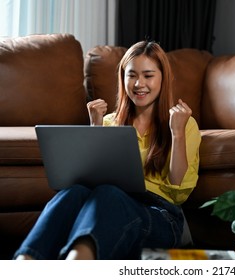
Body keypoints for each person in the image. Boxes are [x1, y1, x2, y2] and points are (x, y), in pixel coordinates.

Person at [14, 41, 201, 260]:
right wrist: (96, 128)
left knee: (108, 193)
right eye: (132, 75)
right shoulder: (109, 122)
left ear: (163, 78)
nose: (139, 83)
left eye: (148, 75)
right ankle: (24, 262)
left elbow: (179, 191)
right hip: (106, 204)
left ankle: (77, 263)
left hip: (161, 215)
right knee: (72, 193)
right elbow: (88, 179)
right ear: (123, 78)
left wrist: (176, 133)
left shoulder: (184, 124)